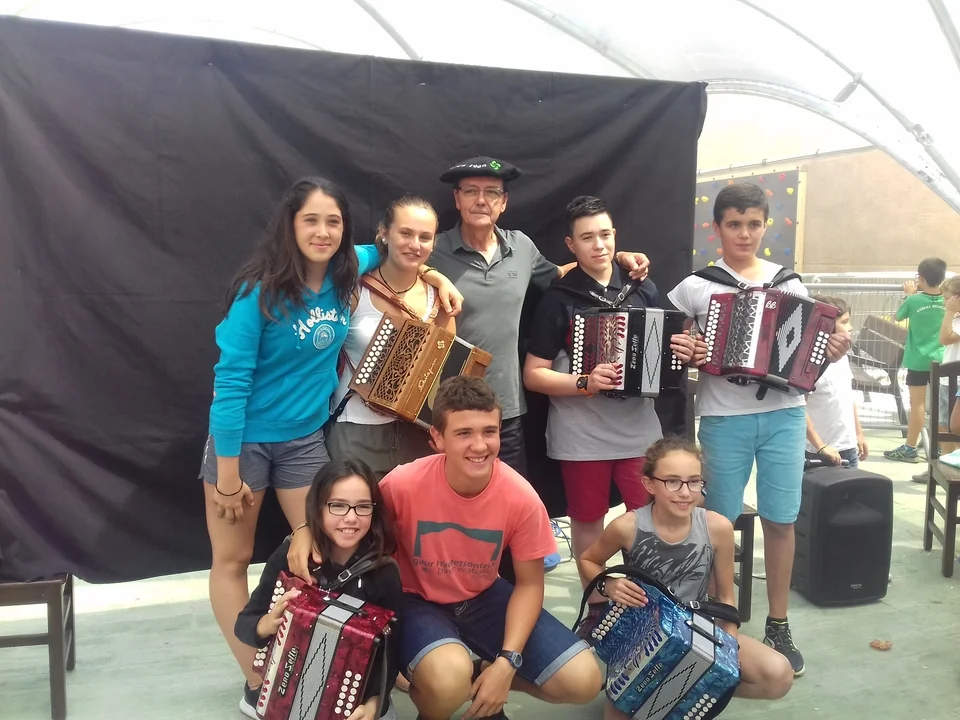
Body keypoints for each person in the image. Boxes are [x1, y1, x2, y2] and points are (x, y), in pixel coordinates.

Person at [199, 176, 462, 717]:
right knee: (233, 560)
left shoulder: (348, 266)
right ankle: (258, 676)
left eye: (333, 221)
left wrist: (437, 276)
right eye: (310, 220)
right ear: (290, 225)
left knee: (321, 550)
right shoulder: (258, 292)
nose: (322, 232)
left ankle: (329, 664)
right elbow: (230, 384)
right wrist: (227, 475)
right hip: (242, 444)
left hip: (303, 440)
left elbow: (399, 250)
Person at [430, 156, 650, 578]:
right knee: (449, 508)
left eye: (491, 193)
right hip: (446, 407)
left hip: (507, 407)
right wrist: (434, 275)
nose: (481, 200)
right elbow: (391, 259)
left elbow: (568, 275)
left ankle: (511, 598)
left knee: (509, 512)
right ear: (457, 199)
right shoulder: (434, 249)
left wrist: (617, 257)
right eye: (471, 191)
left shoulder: (521, 248)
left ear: (504, 202)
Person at [667, 183, 850, 677]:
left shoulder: (790, 284)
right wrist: (688, 350)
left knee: (781, 520)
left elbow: (810, 357)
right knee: (718, 522)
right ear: (716, 228)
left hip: (785, 415)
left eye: (753, 224)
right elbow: (671, 346)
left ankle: (779, 623)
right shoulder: (695, 287)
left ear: (765, 226)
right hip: (724, 417)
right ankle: (719, 621)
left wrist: (831, 351)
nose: (744, 234)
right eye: (734, 224)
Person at [380, 375, 602, 720]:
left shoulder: (520, 497)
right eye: (464, 433)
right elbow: (359, 536)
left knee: (583, 680)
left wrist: (507, 662)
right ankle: (439, 694)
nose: (480, 445)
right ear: (437, 438)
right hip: (416, 599)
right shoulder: (401, 485)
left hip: (482, 596)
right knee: (446, 681)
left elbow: (530, 584)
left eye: (489, 431)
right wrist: (306, 532)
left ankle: (479, 675)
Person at [523, 195, 696, 609]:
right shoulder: (558, 299)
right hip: (581, 436)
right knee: (587, 521)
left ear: (615, 236)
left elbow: (666, 354)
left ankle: (654, 604)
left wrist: (684, 351)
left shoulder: (643, 287)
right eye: (587, 238)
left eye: (604, 235)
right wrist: (584, 381)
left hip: (639, 432)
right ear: (571, 245)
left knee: (652, 519)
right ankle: (596, 607)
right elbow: (533, 374)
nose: (598, 245)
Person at [577, 436, 793, 720]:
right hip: (641, 635)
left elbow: (725, 598)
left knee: (779, 675)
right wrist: (609, 584)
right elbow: (588, 559)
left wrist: (725, 651)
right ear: (649, 484)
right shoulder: (627, 526)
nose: (685, 492)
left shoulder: (717, 527)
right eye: (672, 482)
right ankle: (662, 693)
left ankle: (687, 692)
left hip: (700, 628)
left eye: (694, 482)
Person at [235, 458, 402, 720]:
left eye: (362, 507)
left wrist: (374, 705)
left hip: (355, 700)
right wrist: (266, 625)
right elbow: (244, 624)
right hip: (285, 696)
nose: (351, 517)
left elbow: (391, 653)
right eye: (338, 505)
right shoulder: (291, 557)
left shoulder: (382, 572)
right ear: (318, 507)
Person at [327, 195, 455, 481]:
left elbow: (447, 372)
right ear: (384, 233)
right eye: (405, 233)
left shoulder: (440, 298)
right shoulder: (355, 290)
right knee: (356, 509)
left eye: (425, 237)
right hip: (355, 428)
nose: (415, 244)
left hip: (417, 433)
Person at [884, 258, 946, 464]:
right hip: (943, 361)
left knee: (917, 404)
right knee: (941, 405)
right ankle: (940, 446)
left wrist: (909, 294)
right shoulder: (948, 300)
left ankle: (909, 448)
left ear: (921, 278)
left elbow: (898, 316)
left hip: (918, 360)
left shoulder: (914, 301)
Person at [804, 296, 868, 468]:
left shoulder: (842, 357)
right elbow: (799, 408)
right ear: (826, 326)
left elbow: (848, 397)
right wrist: (820, 446)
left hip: (848, 447)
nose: (851, 327)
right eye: (845, 322)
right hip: (819, 451)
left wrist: (858, 433)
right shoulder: (809, 364)